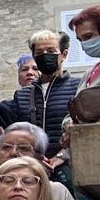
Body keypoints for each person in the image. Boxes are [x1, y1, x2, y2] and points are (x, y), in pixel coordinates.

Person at [17, 28, 78, 162]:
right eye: (39, 52)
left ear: (64, 54)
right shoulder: (22, 95)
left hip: (69, 165)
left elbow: (83, 129)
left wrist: (62, 156)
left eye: (51, 51)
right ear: (34, 56)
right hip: (33, 165)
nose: (45, 55)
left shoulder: (77, 88)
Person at [66, 4, 100, 124]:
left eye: (88, 36)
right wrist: (68, 123)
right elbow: (78, 109)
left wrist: (85, 130)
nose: (84, 44)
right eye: (80, 40)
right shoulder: (89, 73)